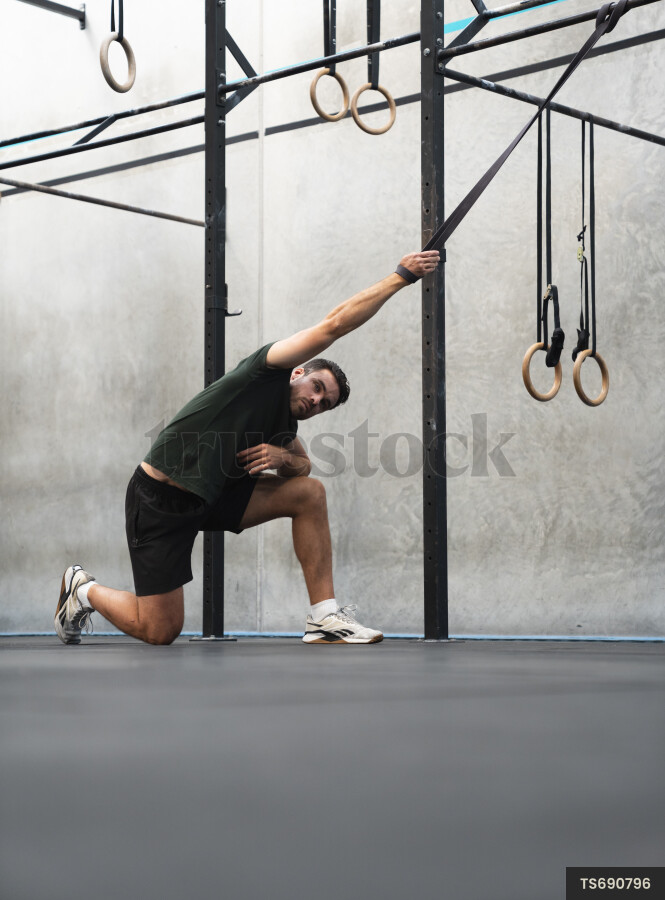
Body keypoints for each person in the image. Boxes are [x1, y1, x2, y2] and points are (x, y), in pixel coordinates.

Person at [55, 250, 440, 646]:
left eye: (325, 404)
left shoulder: (285, 424)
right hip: (160, 500)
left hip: (212, 498)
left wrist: (283, 457)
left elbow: (302, 468)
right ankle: (82, 589)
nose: (316, 401)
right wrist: (400, 277)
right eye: (317, 388)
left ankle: (324, 618)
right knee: (159, 631)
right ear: (298, 372)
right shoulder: (265, 371)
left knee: (309, 493)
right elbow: (334, 325)